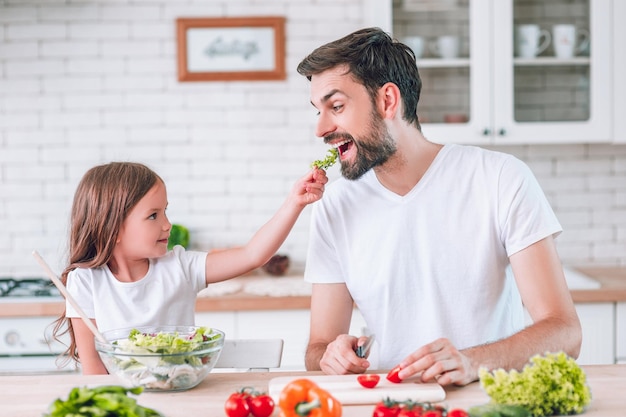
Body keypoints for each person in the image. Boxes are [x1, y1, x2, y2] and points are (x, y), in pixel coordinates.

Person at [296, 27, 582, 386]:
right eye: (318, 110)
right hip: (388, 403)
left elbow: (564, 331)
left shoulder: (499, 178)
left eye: (335, 106)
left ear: (387, 100)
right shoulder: (334, 205)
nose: (321, 128)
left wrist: (472, 362)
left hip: (486, 400)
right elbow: (316, 348)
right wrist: (331, 356)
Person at [53, 161, 327, 374]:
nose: (167, 224)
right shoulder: (85, 282)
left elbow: (253, 255)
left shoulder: (179, 267)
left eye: (165, 211)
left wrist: (295, 202)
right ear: (113, 229)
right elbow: (95, 372)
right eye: (153, 215)